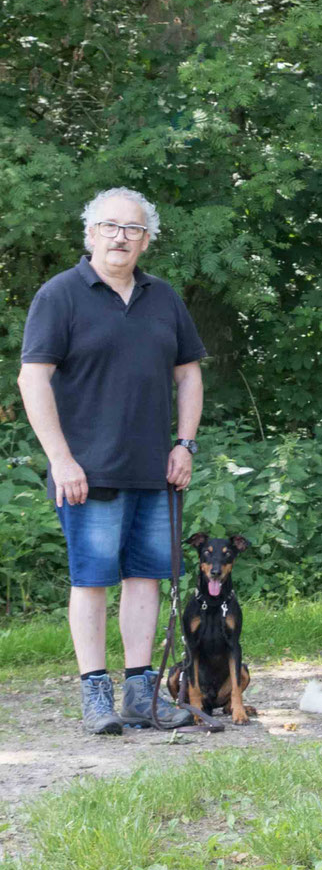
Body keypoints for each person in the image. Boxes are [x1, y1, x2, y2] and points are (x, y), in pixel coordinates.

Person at [17, 188, 205, 735]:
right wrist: (61, 459)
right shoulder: (60, 295)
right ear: (90, 233)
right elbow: (33, 379)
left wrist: (184, 443)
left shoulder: (163, 297)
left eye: (133, 229)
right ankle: (96, 695)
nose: (121, 237)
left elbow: (189, 373)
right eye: (110, 226)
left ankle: (141, 695)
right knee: (92, 581)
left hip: (155, 469)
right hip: (87, 472)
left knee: (146, 578)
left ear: (146, 240)